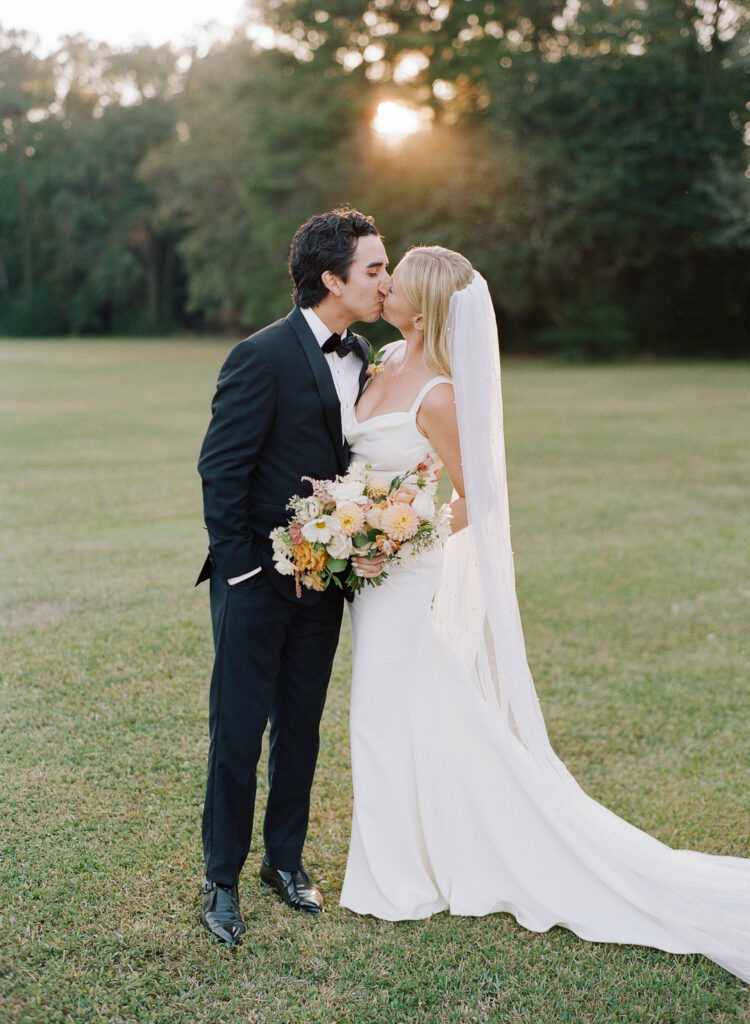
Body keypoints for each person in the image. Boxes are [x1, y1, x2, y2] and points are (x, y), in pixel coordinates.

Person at [340, 245, 750, 984]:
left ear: (424, 304)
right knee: (402, 712)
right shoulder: (387, 356)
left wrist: (396, 538)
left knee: (381, 710)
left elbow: (478, 498)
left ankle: (399, 873)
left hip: (402, 573)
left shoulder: (435, 390)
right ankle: (417, 851)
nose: (385, 283)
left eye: (394, 278)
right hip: (371, 577)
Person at [196, 208, 390, 944]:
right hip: (255, 583)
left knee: (301, 729)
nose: (385, 281)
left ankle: (285, 862)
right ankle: (220, 880)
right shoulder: (260, 355)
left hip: (325, 585)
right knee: (237, 733)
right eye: (374, 269)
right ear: (332, 277)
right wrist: (246, 571)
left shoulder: (362, 352)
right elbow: (222, 469)